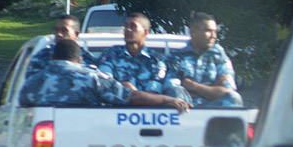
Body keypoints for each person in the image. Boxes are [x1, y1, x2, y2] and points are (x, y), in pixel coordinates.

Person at [19, 39, 193, 114]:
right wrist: (166, 100)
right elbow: (132, 97)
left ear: (52, 58)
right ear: (80, 60)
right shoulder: (94, 78)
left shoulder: (32, 82)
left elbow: (22, 107)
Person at [97, 12, 191, 101]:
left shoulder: (156, 61)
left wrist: (131, 93)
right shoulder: (110, 54)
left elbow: (153, 93)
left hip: (146, 114)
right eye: (126, 26)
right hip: (111, 113)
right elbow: (104, 83)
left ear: (146, 32)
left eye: (133, 26)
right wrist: (125, 86)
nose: (127, 30)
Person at [165, 12, 243, 107]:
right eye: (208, 31)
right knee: (175, 93)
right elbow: (171, 90)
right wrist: (213, 89)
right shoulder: (176, 57)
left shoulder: (219, 55)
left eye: (215, 32)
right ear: (193, 31)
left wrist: (191, 85)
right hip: (184, 112)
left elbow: (227, 91)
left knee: (233, 97)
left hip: (215, 112)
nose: (214, 36)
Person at [25, 14, 96, 78]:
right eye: (56, 30)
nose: (59, 34)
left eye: (64, 30)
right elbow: (30, 83)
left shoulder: (88, 59)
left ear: (76, 34)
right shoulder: (42, 57)